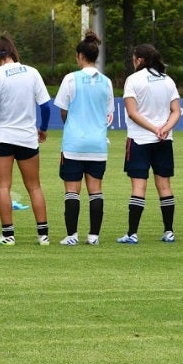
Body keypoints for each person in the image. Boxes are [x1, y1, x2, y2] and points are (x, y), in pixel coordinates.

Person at [0, 34, 52, 246]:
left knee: (3, 186)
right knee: (35, 187)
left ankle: (8, 235)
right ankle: (43, 235)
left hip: (3, 136)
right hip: (27, 136)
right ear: (13, 53)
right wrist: (43, 129)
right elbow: (46, 106)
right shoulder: (32, 72)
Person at [53, 32, 115, 246]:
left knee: (72, 190)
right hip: (97, 144)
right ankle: (94, 236)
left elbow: (63, 110)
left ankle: (71, 236)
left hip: (73, 144)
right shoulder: (107, 82)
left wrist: (73, 124)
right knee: (95, 190)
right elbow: (108, 115)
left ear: (80, 56)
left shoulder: (70, 79)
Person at [116, 43, 181, 245]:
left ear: (140, 60)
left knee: (138, 186)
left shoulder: (133, 80)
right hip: (163, 140)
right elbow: (176, 110)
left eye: (134, 58)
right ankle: (169, 231)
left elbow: (132, 112)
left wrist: (154, 129)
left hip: (139, 139)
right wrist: (164, 128)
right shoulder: (168, 80)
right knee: (164, 186)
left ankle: (132, 233)